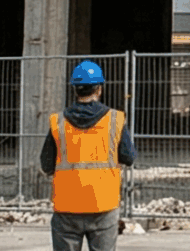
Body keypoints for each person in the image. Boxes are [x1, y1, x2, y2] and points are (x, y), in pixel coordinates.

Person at [39, 61, 136, 251]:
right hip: (103, 204)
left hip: (67, 206)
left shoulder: (58, 122)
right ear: (99, 89)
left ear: (75, 89)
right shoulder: (115, 120)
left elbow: (46, 165)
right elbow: (129, 157)